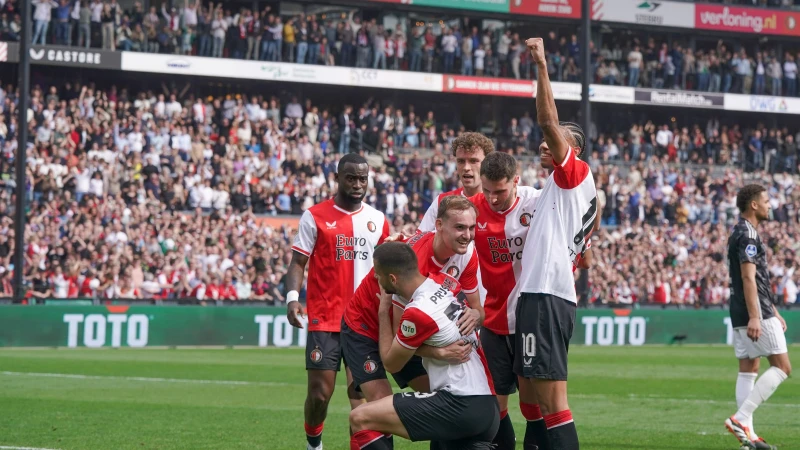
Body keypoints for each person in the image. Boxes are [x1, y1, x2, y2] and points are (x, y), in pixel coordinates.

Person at [515, 37, 597, 450]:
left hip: (547, 295)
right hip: (543, 294)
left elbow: (548, 121)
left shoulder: (575, 173)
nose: (545, 142)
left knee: (551, 402)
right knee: (529, 393)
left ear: (574, 149)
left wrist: (542, 66)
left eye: (557, 139)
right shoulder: (565, 190)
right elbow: (584, 252)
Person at [348, 242, 499, 450]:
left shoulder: (417, 313)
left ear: (392, 279)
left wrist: (383, 310)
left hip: (460, 403)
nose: (376, 279)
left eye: (378, 275)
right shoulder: (444, 284)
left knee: (360, 417)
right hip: (486, 404)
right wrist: (438, 352)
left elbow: (392, 363)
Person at [285, 153, 390, 450]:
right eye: (351, 178)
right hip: (325, 318)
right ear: (337, 178)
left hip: (364, 322)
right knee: (320, 394)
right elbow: (297, 262)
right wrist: (293, 298)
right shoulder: (315, 215)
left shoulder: (377, 220)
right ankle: (314, 444)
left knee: (363, 396)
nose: (357, 184)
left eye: (363, 179)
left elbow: (386, 270)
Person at [341, 195, 484, 407]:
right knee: (379, 407)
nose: (468, 235)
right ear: (439, 225)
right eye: (460, 228)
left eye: (472, 228)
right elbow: (398, 344)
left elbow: (478, 310)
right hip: (366, 324)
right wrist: (439, 352)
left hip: (408, 333)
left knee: (442, 401)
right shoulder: (414, 263)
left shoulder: (467, 254)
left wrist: (476, 315)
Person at [468, 151, 540, 450]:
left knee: (533, 403)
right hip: (494, 320)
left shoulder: (536, 203)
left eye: (500, 191)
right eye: (487, 191)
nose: (493, 198)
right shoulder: (473, 209)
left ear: (516, 181)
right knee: (493, 404)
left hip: (530, 319)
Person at [724, 184, 791, 450]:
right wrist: (757, 315)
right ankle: (741, 420)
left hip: (740, 308)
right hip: (754, 311)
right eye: (766, 200)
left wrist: (773, 309)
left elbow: (752, 278)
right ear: (754, 205)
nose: (770, 205)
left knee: (749, 368)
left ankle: (747, 439)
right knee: (783, 367)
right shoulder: (749, 234)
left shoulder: (739, 231)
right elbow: (749, 276)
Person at [418, 132, 494, 232]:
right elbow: (419, 240)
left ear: (487, 163)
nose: (466, 168)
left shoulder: (498, 202)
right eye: (461, 161)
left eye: (473, 161)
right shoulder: (442, 201)